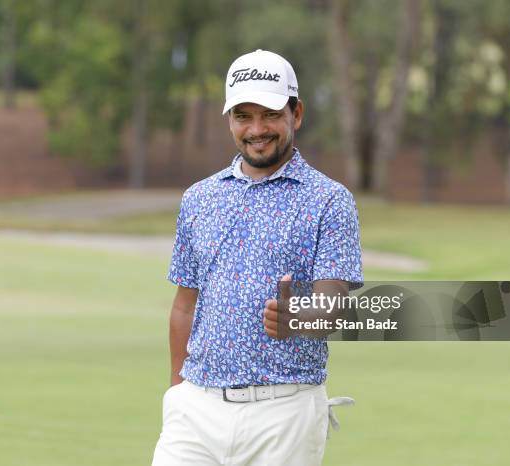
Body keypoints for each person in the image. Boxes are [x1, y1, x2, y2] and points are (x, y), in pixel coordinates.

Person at [152, 49, 363, 466]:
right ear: (229, 119)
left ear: (296, 114)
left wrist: (303, 317)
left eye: (269, 114)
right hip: (195, 410)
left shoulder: (329, 201)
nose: (257, 129)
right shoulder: (199, 198)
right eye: (243, 116)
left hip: (284, 413)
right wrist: (177, 392)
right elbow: (184, 305)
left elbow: (336, 301)